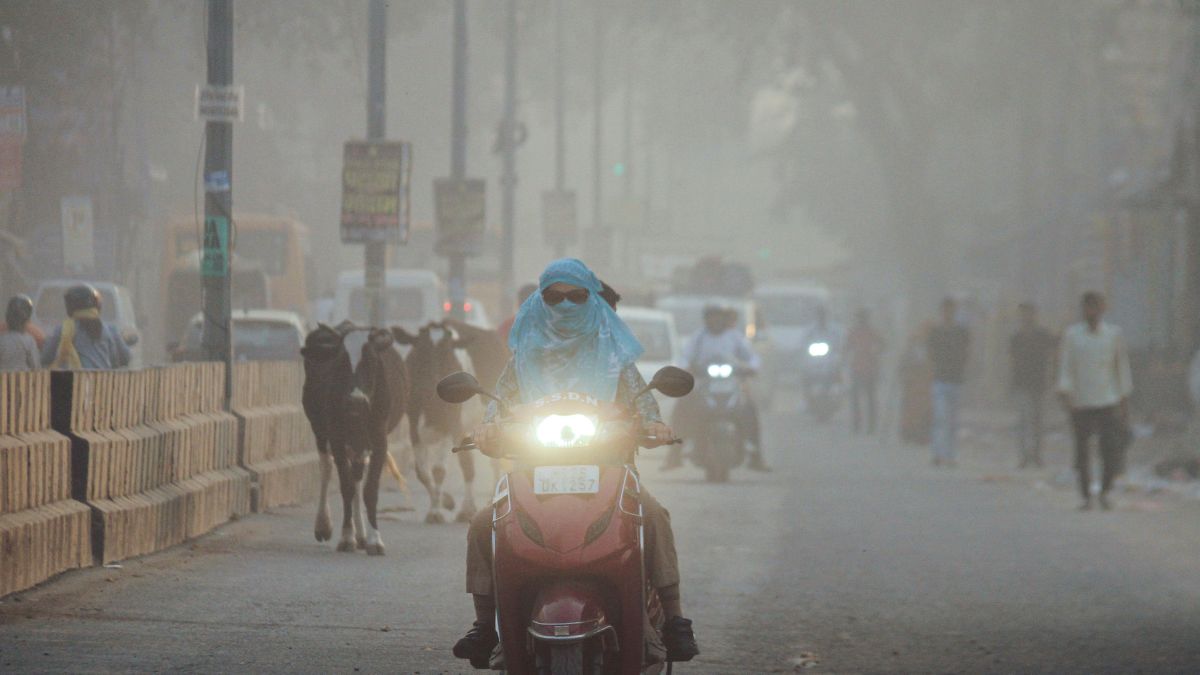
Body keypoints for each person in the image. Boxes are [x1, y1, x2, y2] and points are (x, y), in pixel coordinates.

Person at [454, 259, 699, 667]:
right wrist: (487, 431)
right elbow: (497, 412)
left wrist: (654, 426)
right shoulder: (521, 360)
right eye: (554, 297)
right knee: (484, 523)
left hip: (611, 470)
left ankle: (674, 620)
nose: (565, 304)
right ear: (540, 301)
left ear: (592, 300)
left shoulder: (615, 357)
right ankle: (485, 626)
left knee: (654, 515)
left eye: (576, 296)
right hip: (532, 472)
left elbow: (645, 407)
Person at [668, 304, 768, 472]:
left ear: (723, 319)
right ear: (706, 320)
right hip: (702, 384)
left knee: (750, 409)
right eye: (711, 317)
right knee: (682, 407)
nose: (715, 321)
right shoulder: (698, 337)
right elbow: (685, 356)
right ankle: (674, 454)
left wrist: (751, 367)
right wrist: (686, 368)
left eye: (718, 317)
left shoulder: (735, 337)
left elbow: (752, 357)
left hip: (732, 384)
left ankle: (756, 455)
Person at [1056, 292, 1132, 511]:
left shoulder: (1113, 335)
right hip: (1080, 401)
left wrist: (1124, 398)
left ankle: (1105, 491)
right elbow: (1066, 366)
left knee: (1109, 449)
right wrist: (1066, 393)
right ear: (1083, 310)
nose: (1092, 312)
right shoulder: (1072, 335)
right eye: (1088, 307)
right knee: (1082, 451)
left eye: (1096, 307)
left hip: (1107, 399)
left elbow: (1121, 367)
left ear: (1103, 309)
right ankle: (1086, 495)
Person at [1009, 302, 1056, 468]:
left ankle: (1036, 454)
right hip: (1021, 383)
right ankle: (1023, 455)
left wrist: (1052, 376)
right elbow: (1011, 360)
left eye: (1028, 313)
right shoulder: (1016, 337)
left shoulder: (1043, 335)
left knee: (1036, 421)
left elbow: (1054, 351)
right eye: (1023, 314)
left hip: (1038, 383)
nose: (1025, 317)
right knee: (1023, 420)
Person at [41, 284, 131, 370]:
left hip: (71, 380)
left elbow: (45, 358)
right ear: (96, 305)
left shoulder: (62, 330)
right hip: (103, 380)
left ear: (69, 306)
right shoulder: (111, 331)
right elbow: (125, 358)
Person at [927, 297, 968, 467]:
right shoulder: (935, 332)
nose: (948, 313)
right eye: (945, 310)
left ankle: (950, 456)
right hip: (939, 380)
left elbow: (967, 353)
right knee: (940, 418)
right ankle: (937, 453)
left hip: (956, 380)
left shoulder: (961, 332)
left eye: (950, 310)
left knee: (952, 421)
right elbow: (930, 354)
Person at [845, 308, 884, 434]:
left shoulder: (872, 332)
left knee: (870, 398)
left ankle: (871, 426)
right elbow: (846, 347)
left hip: (870, 368)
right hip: (857, 368)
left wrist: (875, 351)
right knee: (856, 398)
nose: (861, 321)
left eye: (863, 318)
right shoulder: (854, 332)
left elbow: (883, 345)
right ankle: (857, 425)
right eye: (860, 318)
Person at [0, 295, 40, 371]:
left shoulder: (1, 340)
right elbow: (35, 366)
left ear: (7, 318)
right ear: (26, 319)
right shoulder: (29, 341)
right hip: (24, 378)